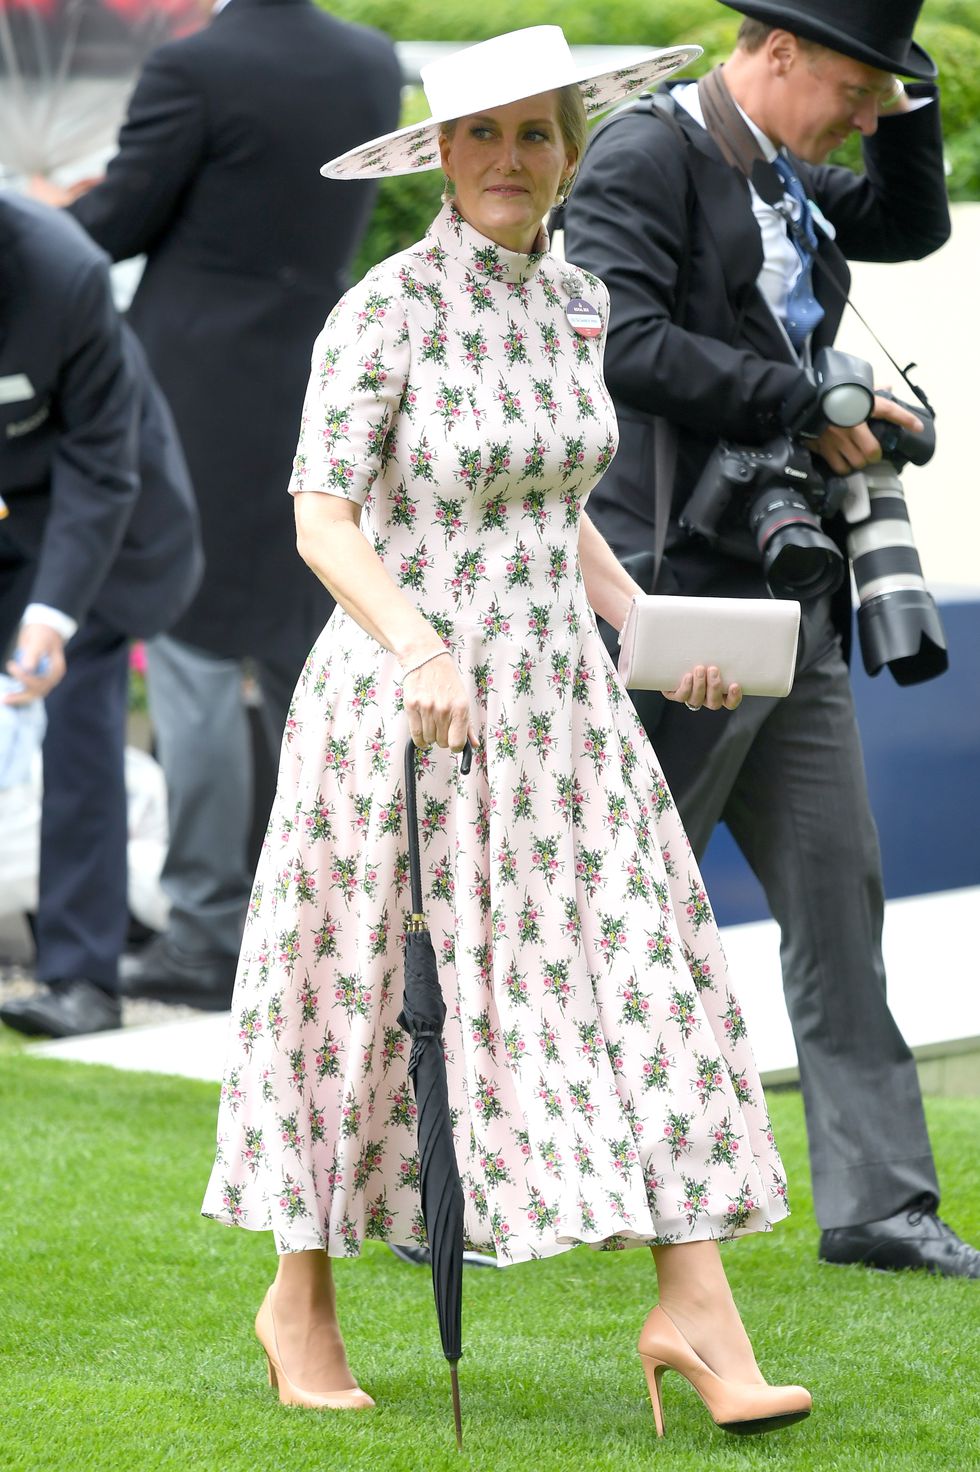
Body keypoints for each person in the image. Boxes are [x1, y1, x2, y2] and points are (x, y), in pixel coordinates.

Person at [200, 27, 814, 1437]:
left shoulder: (583, 303)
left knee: (644, 977)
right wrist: (416, 643)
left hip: (564, 715)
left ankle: (698, 1309)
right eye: (481, 135)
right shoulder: (381, 310)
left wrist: (651, 629)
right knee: (358, 999)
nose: (508, 160)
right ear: (439, 152)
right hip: (404, 709)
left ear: (567, 152)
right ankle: (298, 1292)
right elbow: (322, 518)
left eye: (534, 135)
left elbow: (558, 512)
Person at [562, 0, 979, 1279]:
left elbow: (910, 223)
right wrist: (813, 398)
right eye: (855, 87)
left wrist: (898, 102)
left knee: (834, 895)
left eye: (880, 98)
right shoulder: (644, 155)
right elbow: (617, 343)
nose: (865, 117)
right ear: (775, 51)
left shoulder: (790, 168)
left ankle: (878, 1205)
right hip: (672, 589)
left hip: (788, 590)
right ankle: (477, 1158)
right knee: (606, 908)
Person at [46, 0, 403, 1010]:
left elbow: (117, 221)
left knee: (193, 640)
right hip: (313, 368)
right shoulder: (372, 63)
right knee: (308, 649)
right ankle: (331, 930)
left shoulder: (193, 66)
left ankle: (206, 930)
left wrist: (36, 212)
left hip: (193, 379)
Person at [0, 195, 202, 1040]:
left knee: (78, 716)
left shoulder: (64, 271)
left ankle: (82, 977)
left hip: (101, 514)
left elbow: (101, 463)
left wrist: (50, 616)